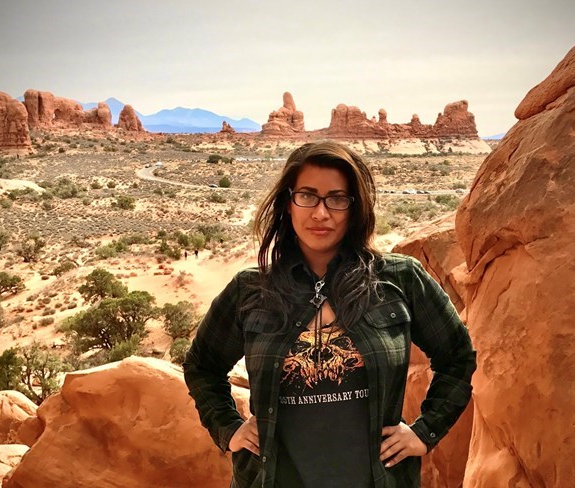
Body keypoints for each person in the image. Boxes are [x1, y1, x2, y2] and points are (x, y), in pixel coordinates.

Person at [184, 141, 476, 488]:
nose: (321, 213)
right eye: (307, 196)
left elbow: (457, 356)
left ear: (355, 208)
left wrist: (425, 431)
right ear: (287, 204)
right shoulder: (251, 289)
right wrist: (228, 428)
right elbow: (202, 366)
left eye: (337, 199)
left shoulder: (400, 279)